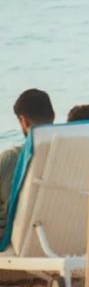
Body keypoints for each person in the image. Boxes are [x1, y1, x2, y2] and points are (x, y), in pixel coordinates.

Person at [1, 89, 55, 234]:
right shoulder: (69, 155)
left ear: (23, 121)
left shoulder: (11, 158)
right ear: (53, 116)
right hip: (61, 234)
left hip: (16, 237)